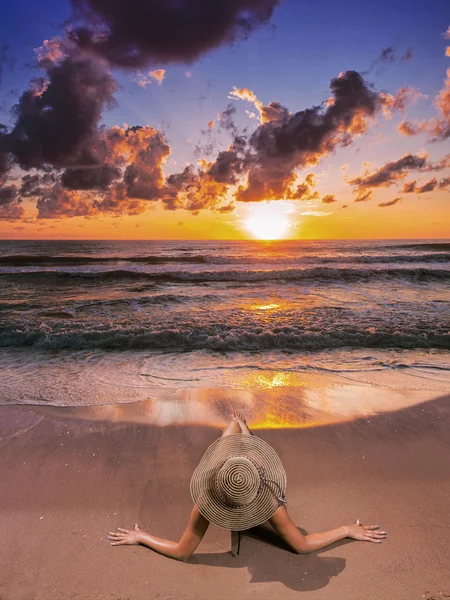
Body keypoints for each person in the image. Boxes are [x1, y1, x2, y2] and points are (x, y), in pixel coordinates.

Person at [108, 412, 387, 561]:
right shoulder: (209, 497)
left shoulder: (267, 499)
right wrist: (141, 537)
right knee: (231, 433)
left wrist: (347, 530)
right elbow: (183, 552)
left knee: (235, 438)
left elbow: (301, 546)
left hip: (253, 476)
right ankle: (238, 421)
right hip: (235, 467)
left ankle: (239, 423)